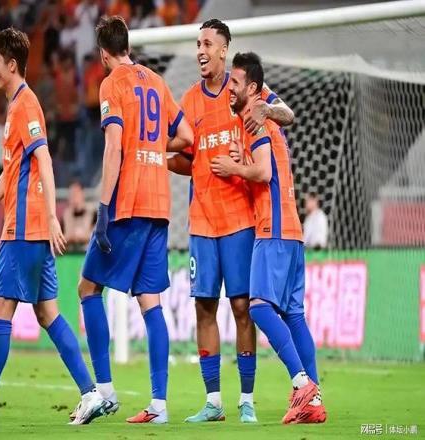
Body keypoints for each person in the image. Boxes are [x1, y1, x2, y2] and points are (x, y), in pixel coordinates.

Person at [0, 27, 106, 426]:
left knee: (0, 310)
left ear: (12, 64)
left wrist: (51, 215)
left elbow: (44, 159)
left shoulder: (26, 105)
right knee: (48, 313)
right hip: (30, 228)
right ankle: (91, 394)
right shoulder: (17, 105)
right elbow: (12, 170)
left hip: (23, 229)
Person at [167, 19, 295, 424]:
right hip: (202, 223)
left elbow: (287, 113)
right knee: (204, 307)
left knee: (242, 307)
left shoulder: (243, 91)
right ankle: (213, 402)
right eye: (198, 44)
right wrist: (160, 159)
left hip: (240, 220)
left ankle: (247, 400)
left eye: (207, 44)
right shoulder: (189, 100)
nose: (200, 51)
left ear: (224, 49)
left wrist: (266, 109)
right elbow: (186, 156)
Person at [75, 16, 193, 425]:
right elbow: (187, 137)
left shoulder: (112, 84)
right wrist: (155, 146)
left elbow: (113, 148)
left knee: (87, 288)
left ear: (103, 53)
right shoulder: (157, 82)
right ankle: (158, 405)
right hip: (159, 205)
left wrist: (103, 209)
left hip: (128, 203)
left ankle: (104, 391)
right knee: (149, 301)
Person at [210, 51, 327, 425]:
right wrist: (243, 160)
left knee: (259, 306)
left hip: (272, 228)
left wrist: (234, 166)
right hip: (291, 230)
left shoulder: (254, 119)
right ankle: (314, 402)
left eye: (235, 83)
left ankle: (301, 383)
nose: (229, 88)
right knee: (293, 315)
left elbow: (263, 173)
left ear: (253, 88)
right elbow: (267, 163)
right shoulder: (264, 114)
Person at [62, 180, 95, 251]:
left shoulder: (92, 212)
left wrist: (83, 237)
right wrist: (71, 237)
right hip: (70, 252)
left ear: (82, 194)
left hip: (87, 251)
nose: (73, 197)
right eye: (71, 194)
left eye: (76, 194)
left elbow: (98, 235)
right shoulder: (66, 215)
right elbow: (61, 237)